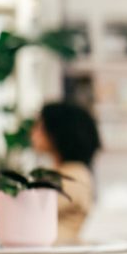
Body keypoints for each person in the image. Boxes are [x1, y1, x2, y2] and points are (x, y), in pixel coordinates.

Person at [29, 101, 101, 244]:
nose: (33, 132)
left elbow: (29, 212)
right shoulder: (60, 172)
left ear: (57, 132)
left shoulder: (74, 176)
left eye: (40, 126)